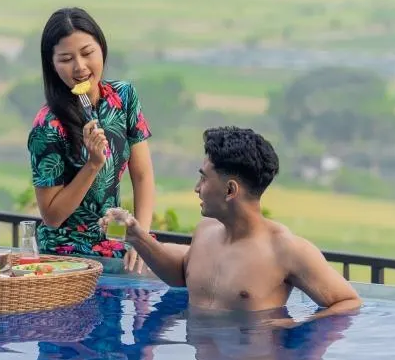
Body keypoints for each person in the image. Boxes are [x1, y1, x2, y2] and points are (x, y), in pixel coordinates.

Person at [102, 125, 362, 319]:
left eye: (204, 179)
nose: (197, 188)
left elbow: (348, 302)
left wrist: (299, 328)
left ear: (230, 190)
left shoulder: (286, 250)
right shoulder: (205, 232)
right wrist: (136, 236)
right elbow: (181, 275)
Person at [26, 7, 156, 272]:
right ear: (51, 64)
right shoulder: (48, 126)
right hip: (67, 253)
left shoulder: (124, 97)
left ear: (102, 49)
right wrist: (93, 164)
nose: (80, 67)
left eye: (87, 53)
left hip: (115, 237)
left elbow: (142, 176)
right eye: (66, 58)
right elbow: (52, 217)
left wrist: (140, 239)